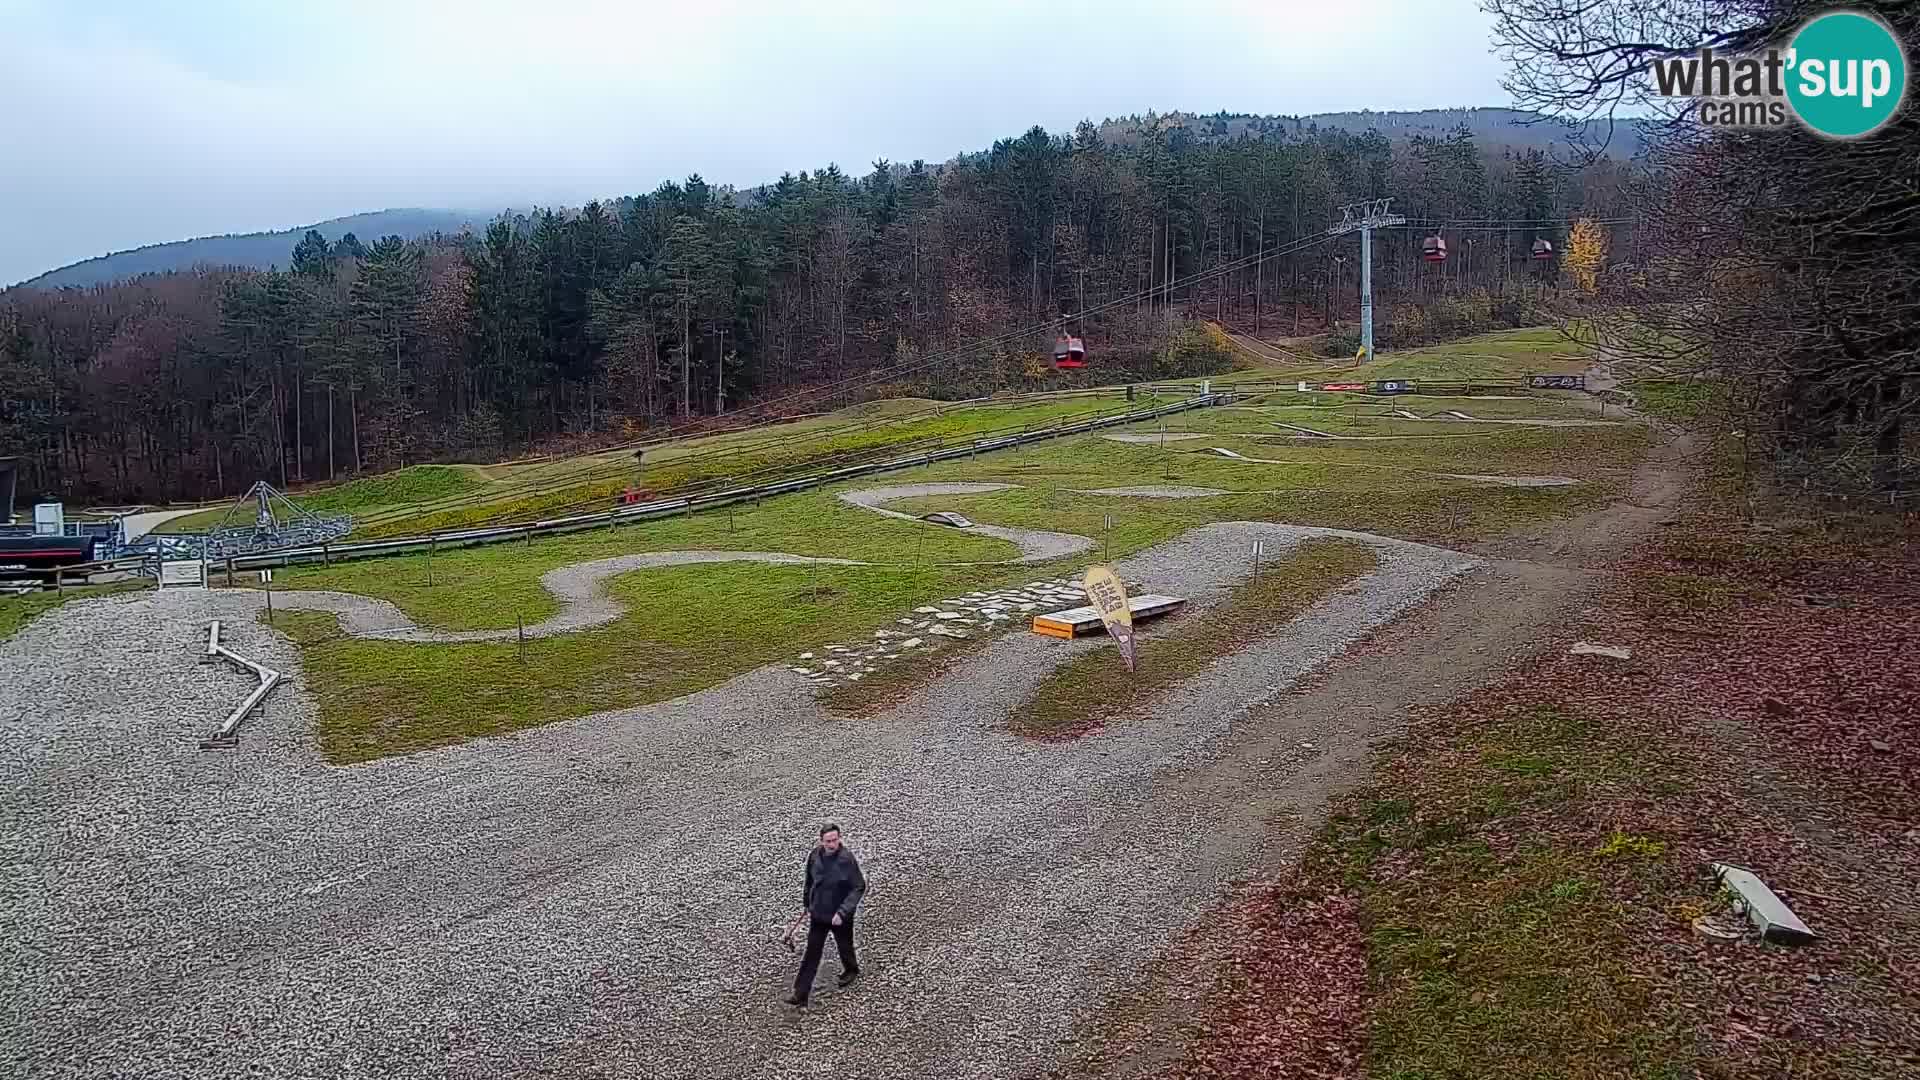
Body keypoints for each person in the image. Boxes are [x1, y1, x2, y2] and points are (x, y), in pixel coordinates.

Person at [788, 822, 865, 1007]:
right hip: (819, 913)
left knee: (845, 945)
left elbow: (858, 886)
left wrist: (843, 912)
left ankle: (851, 970)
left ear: (839, 838)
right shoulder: (815, 856)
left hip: (839, 916)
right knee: (811, 953)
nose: (832, 844)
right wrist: (807, 903)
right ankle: (800, 993)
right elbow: (809, 881)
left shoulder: (847, 860)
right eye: (828, 841)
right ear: (821, 841)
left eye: (835, 840)